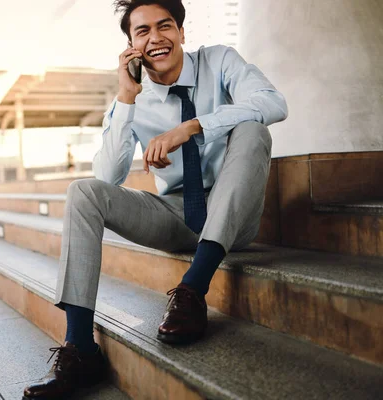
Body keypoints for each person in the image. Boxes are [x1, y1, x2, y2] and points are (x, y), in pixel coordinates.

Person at [23, 0, 288, 398]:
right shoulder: (131, 97)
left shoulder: (221, 61)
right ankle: (80, 349)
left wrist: (193, 127)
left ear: (182, 32)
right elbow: (107, 178)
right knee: (82, 191)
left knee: (253, 129)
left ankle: (192, 291)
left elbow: (273, 103)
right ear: (131, 45)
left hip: (233, 214)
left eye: (165, 26)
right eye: (142, 31)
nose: (156, 38)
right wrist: (126, 96)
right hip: (174, 214)